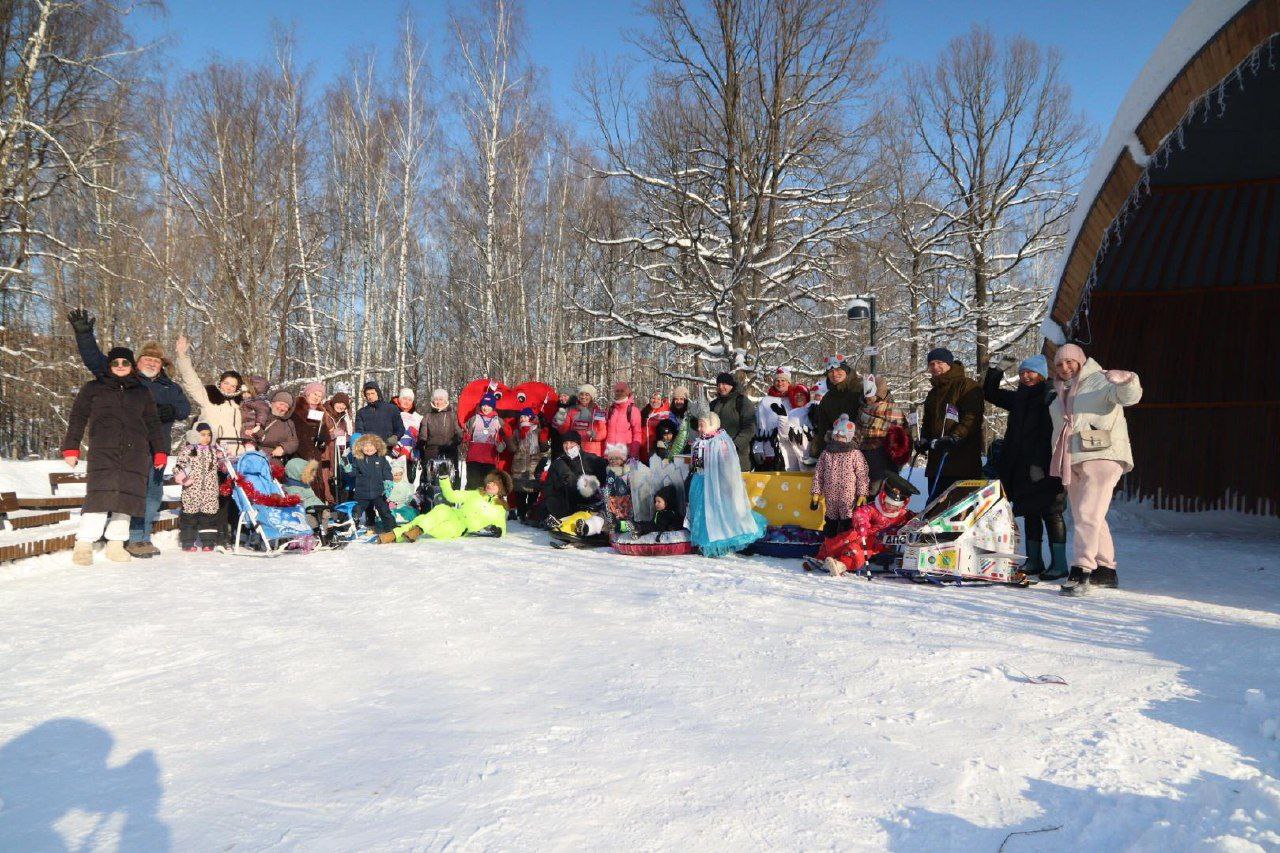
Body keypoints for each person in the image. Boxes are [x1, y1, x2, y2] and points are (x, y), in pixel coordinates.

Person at [66, 311, 192, 558]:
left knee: (148, 495)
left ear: (162, 364)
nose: (151, 363)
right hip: (114, 447)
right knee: (107, 492)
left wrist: (170, 411)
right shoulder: (127, 381)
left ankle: (139, 537)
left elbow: (184, 410)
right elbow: (95, 360)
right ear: (139, 362)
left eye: (156, 360)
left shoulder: (168, 387)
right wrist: (84, 335)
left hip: (153, 448)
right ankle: (104, 540)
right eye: (147, 358)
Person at [1049, 343, 1143, 596]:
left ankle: (1082, 569)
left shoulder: (1101, 381)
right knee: (1086, 516)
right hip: (1073, 458)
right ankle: (1106, 570)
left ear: (1080, 361)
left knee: (1088, 514)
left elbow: (1129, 397)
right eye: (1059, 364)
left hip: (1102, 455)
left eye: (1070, 362)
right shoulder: (1060, 389)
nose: (1065, 367)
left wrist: (1128, 381)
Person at [62, 347, 168, 566]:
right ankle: (83, 543)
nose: (120, 366)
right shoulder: (94, 388)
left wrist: (159, 450)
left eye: (125, 362)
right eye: (115, 362)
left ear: (132, 366)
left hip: (135, 453)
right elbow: (77, 417)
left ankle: (115, 544)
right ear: (109, 366)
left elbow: (153, 423)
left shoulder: (141, 391)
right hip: (103, 451)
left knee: (126, 500)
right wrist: (71, 447)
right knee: (99, 498)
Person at [984, 354, 1067, 580]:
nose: (1025, 376)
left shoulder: (1049, 395)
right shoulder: (1019, 398)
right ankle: (1034, 561)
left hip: (1046, 466)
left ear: (1041, 374)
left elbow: (1050, 434)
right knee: (1030, 512)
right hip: (1020, 466)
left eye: (1030, 372)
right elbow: (990, 393)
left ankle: (1059, 563)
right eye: (1022, 373)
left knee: (1052, 513)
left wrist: (1040, 463)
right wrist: (997, 371)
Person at [686, 412, 766, 556]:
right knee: (702, 512)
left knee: (718, 512)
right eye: (698, 425)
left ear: (712, 425)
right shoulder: (698, 442)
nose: (699, 428)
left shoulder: (719, 441)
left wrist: (728, 483)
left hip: (715, 483)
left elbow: (727, 465)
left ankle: (722, 542)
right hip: (700, 480)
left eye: (702, 425)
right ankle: (705, 542)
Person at [816, 471, 919, 576]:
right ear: (883, 498)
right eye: (889, 503)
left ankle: (841, 565)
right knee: (845, 538)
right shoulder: (873, 508)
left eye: (896, 505)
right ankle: (823, 556)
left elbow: (916, 519)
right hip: (862, 533)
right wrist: (862, 524)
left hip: (875, 544)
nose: (891, 507)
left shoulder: (903, 515)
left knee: (857, 551)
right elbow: (861, 513)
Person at [916, 347, 984, 503]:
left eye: (939, 362)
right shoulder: (933, 393)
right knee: (935, 508)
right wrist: (924, 440)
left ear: (949, 364)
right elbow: (928, 422)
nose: (935, 367)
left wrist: (955, 437)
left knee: (959, 511)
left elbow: (971, 418)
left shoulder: (966, 385)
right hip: (937, 463)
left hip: (962, 461)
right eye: (931, 364)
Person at [380, 470, 512, 543]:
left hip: (461, 527)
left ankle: (395, 535)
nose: (489, 485)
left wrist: (498, 530)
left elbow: (502, 528)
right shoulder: (476, 494)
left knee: (423, 520)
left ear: (501, 490)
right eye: (489, 482)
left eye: (494, 485)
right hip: (454, 514)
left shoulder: (499, 508)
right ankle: (410, 532)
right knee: (442, 509)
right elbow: (451, 496)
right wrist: (444, 479)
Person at [173, 335, 245, 456]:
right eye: (226, 383)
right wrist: (182, 356)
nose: (228, 387)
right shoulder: (209, 396)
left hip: (233, 453)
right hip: (208, 450)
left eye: (233, 386)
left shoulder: (239, 405)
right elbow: (192, 381)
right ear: (220, 382)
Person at [811, 414, 871, 537]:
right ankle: (829, 543)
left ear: (848, 437)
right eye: (836, 435)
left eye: (842, 436)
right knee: (830, 521)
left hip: (848, 497)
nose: (838, 438)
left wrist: (862, 494)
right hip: (831, 495)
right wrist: (816, 493)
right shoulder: (826, 453)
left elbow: (862, 475)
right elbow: (818, 474)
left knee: (847, 522)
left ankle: (846, 545)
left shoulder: (855, 454)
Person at [171, 423, 224, 551]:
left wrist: (224, 461)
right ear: (195, 435)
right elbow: (179, 466)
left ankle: (208, 542)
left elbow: (220, 466)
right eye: (203, 435)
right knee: (190, 517)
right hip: (192, 489)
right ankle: (188, 542)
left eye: (209, 435)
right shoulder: (188, 449)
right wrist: (183, 477)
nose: (206, 438)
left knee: (209, 517)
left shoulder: (214, 451)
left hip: (210, 490)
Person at [857, 374, 908, 497]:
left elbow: (903, 435)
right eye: (866, 396)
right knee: (864, 488)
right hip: (864, 454)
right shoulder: (862, 410)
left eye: (871, 396)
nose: (868, 399)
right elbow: (857, 430)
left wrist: (898, 451)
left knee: (879, 488)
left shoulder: (893, 410)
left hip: (883, 455)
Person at [540, 430, 607, 524]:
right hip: (565, 505)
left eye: (572, 443)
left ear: (578, 445)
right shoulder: (559, 462)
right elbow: (549, 487)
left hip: (589, 503)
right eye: (565, 443)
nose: (568, 446)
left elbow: (606, 472)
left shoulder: (590, 459)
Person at [810, 354, 863, 460]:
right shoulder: (827, 399)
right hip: (836, 453)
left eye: (838, 369)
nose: (834, 374)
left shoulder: (860, 390)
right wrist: (819, 454)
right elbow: (823, 429)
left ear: (846, 370)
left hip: (862, 450)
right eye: (830, 371)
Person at [343, 433, 396, 533]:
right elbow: (352, 473)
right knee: (356, 512)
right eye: (365, 446)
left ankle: (391, 529)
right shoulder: (358, 460)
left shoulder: (381, 459)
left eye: (371, 445)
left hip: (378, 492)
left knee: (385, 511)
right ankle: (349, 528)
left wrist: (388, 487)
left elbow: (387, 473)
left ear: (377, 446)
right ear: (361, 448)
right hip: (362, 493)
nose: (368, 448)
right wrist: (346, 465)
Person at [709, 371, 756, 471]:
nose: (721, 387)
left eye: (724, 384)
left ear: (731, 385)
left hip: (738, 456)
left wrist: (734, 445)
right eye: (719, 384)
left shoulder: (742, 402)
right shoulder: (713, 404)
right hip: (716, 457)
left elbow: (750, 428)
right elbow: (706, 425)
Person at [462, 392, 508, 487]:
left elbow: (505, 441)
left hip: (490, 460)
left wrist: (501, 445)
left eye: (488, 405)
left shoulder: (499, 421)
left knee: (487, 487)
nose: (485, 408)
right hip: (474, 459)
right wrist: (465, 438)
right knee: (472, 485)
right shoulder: (474, 418)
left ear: (493, 407)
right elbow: (466, 435)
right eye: (483, 405)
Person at [316, 392, 353, 505]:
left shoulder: (345, 417)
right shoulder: (321, 411)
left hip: (339, 452)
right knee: (324, 477)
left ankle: (335, 503)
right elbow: (314, 431)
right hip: (324, 451)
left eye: (344, 405)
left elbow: (351, 433)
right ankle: (325, 502)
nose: (341, 406)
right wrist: (331, 435)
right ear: (333, 402)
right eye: (339, 403)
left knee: (336, 477)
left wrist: (345, 436)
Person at [509, 407, 543, 521]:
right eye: (521, 417)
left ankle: (531, 512)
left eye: (524, 416)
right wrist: (507, 438)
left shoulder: (537, 430)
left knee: (533, 491)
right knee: (520, 492)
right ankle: (521, 514)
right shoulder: (517, 432)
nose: (522, 418)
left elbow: (544, 448)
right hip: (519, 465)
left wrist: (544, 439)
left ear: (530, 417)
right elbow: (512, 448)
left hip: (534, 465)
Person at [558, 384, 607, 456]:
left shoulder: (598, 412)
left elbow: (603, 432)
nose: (583, 397)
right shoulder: (571, 411)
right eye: (581, 394)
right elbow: (564, 431)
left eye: (587, 394)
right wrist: (561, 421)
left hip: (593, 450)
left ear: (591, 396)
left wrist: (595, 436)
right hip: (575, 449)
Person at [354, 381, 405, 447]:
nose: (370, 396)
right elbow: (359, 431)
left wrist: (395, 437)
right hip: (369, 448)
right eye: (368, 394)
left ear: (378, 393)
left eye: (372, 393)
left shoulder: (392, 408)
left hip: (388, 448)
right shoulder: (361, 412)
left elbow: (400, 428)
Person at [605, 382, 644, 460]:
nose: (619, 393)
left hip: (625, 453)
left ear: (627, 393)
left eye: (622, 391)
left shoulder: (633, 410)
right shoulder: (610, 409)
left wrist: (633, 453)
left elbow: (637, 433)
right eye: (617, 391)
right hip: (610, 453)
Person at [292, 382, 328, 465]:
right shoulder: (297, 408)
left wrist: (322, 441)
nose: (317, 398)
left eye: (320, 396)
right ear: (308, 393)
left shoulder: (321, 412)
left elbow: (325, 434)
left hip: (315, 454)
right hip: (297, 453)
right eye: (315, 394)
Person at [778, 386, 813, 471]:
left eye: (802, 394)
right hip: (792, 458)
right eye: (796, 395)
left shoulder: (811, 410)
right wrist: (782, 418)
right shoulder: (790, 413)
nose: (799, 397)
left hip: (809, 457)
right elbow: (784, 436)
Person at [256, 390, 299, 459]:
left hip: (272, 456)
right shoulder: (260, 415)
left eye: (286, 406)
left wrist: (283, 448)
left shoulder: (288, 423)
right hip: (252, 452)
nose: (282, 408)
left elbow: (293, 442)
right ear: (273, 402)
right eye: (281, 404)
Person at [393, 388, 423, 480]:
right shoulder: (391, 412)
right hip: (394, 453)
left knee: (409, 481)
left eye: (409, 400)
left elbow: (422, 435)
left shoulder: (417, 417)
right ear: (399, 399)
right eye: (404, 398)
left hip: (411, 455)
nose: (407, 401)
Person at [641, 391, 670, 458]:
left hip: (658, 450)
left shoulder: (665, 412)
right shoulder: (644, 411)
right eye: (653, 398)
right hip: (643, 449)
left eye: (658, 399)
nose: (655, 401)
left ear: (662, 400)